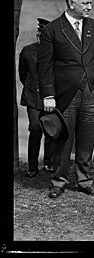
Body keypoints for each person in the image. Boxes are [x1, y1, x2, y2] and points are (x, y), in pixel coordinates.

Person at [37, 0, 94, 199]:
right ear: (71, 4)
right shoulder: (52, 30)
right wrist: (48, 95)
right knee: (63, 140)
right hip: (65, 95)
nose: (90, 6)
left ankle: (84, 181)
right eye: (85, 3)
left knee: (87, 138)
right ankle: (59, 181)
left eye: (90, 2)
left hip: (93, 93)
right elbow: (45, 67)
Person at [18, 18, 54, 177]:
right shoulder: (27, 51)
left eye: (44, 34)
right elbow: (22, 74)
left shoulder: (56, 53)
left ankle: (49, 162)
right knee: (35, 127)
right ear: (37, 33)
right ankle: (32, 167)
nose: (40, 36)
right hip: (32, 96)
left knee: (50, 129)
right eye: (39, 32)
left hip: (50, 97)